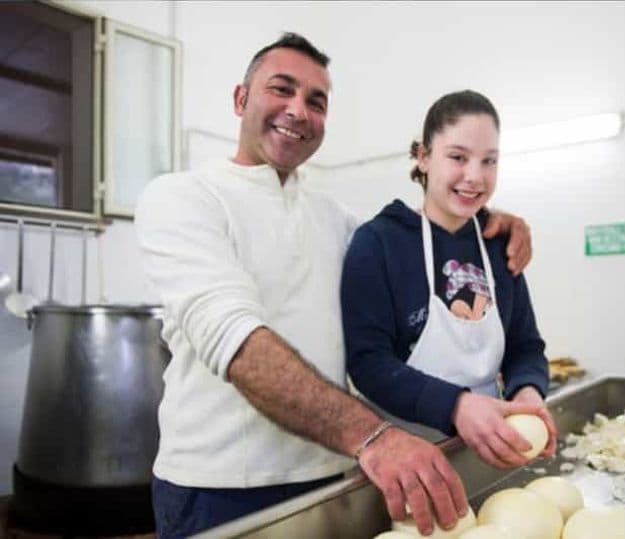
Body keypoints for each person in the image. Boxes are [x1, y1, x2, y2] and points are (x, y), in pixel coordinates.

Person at [134, 34, 534, 537]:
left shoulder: (336, 222)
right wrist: (376, 437)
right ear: (241, 99)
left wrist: (490, 222)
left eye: (316, 101)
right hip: (219, 488)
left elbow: (415, 236)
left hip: (330, 477)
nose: (298, 110)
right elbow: (234, 340)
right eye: (281, 89)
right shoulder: (183, 198)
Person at [341, 90, 557, 471]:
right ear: (423, 157)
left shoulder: (498, 243)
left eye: (489, 161)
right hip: (403, 459)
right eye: (458, 157)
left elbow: (525, 345)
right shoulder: (378, 243)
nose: (475, 177)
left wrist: (528, 391)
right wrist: (456, 406)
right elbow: (368, 363)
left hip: (491, 450)